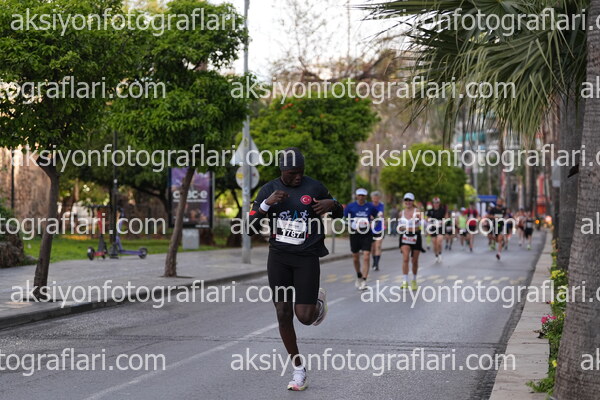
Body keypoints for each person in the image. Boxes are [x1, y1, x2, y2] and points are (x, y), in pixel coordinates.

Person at [247, 147, 343, 391]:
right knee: (282, 312)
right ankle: (299, 369)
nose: (298, 177)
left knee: (305, 318)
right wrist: (266, 205)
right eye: (292, 173)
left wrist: (331, 204)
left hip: (306, 257)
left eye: (301, 172)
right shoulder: (268, 190)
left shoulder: (314, 187)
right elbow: (249, 228)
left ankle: (317, 303)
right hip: (279, 258)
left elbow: (339, 212)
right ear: (282, 171)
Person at [344, 188, 379, 290]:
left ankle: (364, 280)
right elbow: (344, 218)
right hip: (355, 234)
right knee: (355, 257)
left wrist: (373, 223)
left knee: (366, 256)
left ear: (365, 196)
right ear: (356, 196)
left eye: (363, 195)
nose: (361, 197)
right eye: (359, 195)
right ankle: (359, 275)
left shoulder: (370, 206)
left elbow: (377, 217)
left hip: (366, 234)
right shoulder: (351, 206)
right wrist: (351, 224)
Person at [397, 192, 424, 290]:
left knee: (414, 260)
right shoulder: (401, 213)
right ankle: (405, 281)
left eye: (410, 200)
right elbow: (399, 226)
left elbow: (424, 223)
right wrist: (401, 228)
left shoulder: (418, 211)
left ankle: (414, 280)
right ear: (404, 201)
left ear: (413, 201)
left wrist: (420, 221)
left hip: (416, 236)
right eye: (406, 200)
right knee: (405, 258)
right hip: (405, 236)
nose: (408, 202)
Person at [426, 197, 446, 263]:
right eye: (435, 202)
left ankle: (440, 254)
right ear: (433, 203)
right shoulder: (430, 211)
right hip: (433, 228)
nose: (436, 204)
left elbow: (446, 218)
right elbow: (427, 219)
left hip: (440, 228)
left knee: (439, 242)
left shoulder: (442, 210)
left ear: (439, 203)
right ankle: (436, 255)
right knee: (434, 244)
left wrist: (443, 221)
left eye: (437, 202)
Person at [370, 191, 385, 271]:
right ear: (372, 198)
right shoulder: (369, 205)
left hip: (380, 229)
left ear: (379, 198)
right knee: (373, 248)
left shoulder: (381, 205)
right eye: (374, 198)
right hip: (371, 229)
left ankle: (376, 264)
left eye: (377, 197)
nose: (375, 199)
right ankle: (374, 261)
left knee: (378, 246)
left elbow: (383, 215)